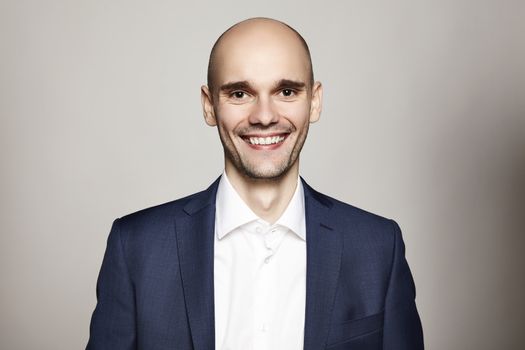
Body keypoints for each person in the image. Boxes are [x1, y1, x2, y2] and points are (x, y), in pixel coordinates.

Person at [87, 17, 424, 350]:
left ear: (315, 101)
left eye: (287, 91)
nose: (264, 116)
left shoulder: (378, 248)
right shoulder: (136, 247)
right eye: (239, 93)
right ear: (209, 106)